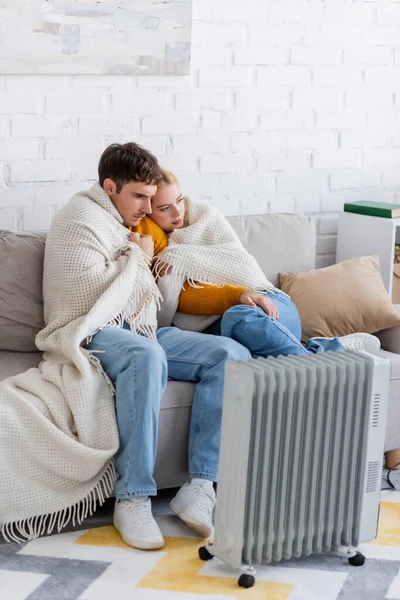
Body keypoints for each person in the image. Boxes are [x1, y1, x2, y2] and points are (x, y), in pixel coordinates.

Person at [82, 144, 251, 551]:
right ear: (110, 188)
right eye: (140, 197)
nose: (146, 206)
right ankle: (133, 498)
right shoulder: (85, 218)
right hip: (99, 329)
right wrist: (136, 261)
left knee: (231, 354)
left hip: (145, 328)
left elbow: (156, 304)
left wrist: (235, 294)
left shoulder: (147, 231)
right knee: (146, 355)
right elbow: (90, 300)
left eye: (150, 198)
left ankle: (199, 485)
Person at [134, 167, 381, 358]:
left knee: (240, 317)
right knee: (234, 334)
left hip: (269, 304)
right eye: (165, 208)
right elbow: (182, 297)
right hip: (221, 326)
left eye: (179, 200)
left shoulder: (205, 219)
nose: (178, 212)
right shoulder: (161, 249)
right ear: (147, 210)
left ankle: (321, 353)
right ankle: (324, 351)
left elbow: (238, 265)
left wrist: (240, 295)